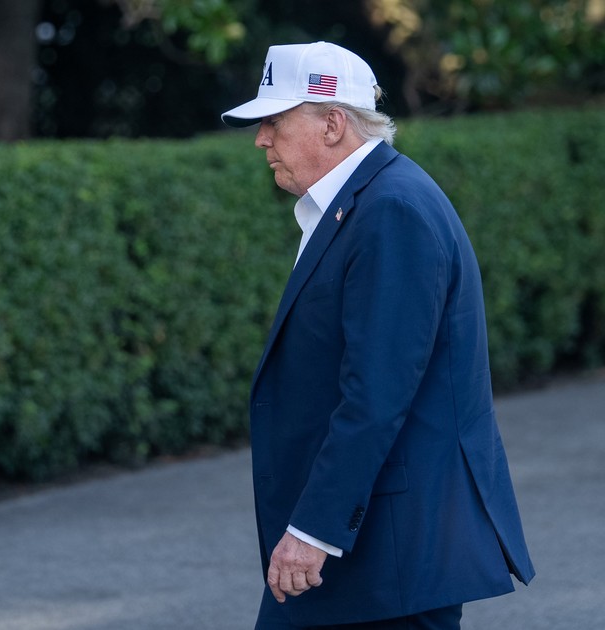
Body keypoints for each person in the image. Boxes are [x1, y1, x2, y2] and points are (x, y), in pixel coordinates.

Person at [221, 41, 536, 629]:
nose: (261, 139)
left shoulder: (391, 210)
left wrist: (313, 529)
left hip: (388, 555)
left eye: (274, 121)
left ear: (333, 124)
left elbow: (377, 392)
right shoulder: (370, 201)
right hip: (372, 547)